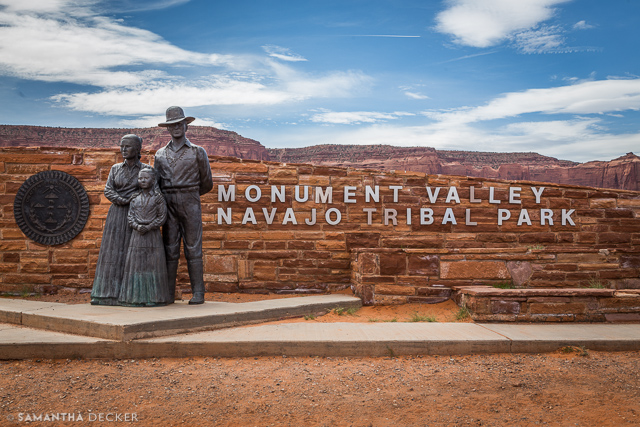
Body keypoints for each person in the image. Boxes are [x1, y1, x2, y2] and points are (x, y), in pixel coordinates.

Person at [154, 106, 213, 304]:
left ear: (186, 126)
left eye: (179, 124)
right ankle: (168, 293)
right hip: (168, 202)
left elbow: (207, 182)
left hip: (190, 201)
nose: (176, 128)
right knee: (169, 249)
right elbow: (156, 183)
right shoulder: (159, 154)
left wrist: (190, 195)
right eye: (172, 125)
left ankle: (198, 292)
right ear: (168, 128)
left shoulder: (197, 152)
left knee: (193, 248)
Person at [91, 134, 149, 305]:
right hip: (116, 214)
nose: (123, 149)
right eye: (121, 146)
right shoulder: (115, 168)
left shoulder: (146, 169)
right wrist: (122, 200)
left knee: (134, 253)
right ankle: (106, 294)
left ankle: (133, 294)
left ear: (137, 149)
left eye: (127, 146)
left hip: (137, 214)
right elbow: (108, 190)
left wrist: (135, 200)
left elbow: (151, 190)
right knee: (112, 252)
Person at [118, 167, 171, 306]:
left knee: (153, 266)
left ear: (153, 180)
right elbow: (130, 216)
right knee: (136, 266)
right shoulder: (135, 198)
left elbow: (162, 217)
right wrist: (137, 226)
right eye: (140, 178)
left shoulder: (158, 198)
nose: (142, 181)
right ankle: (135, 297)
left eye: (145, 178)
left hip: (152, 235)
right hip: (137, 235)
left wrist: (149, 226)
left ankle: (154, 297)